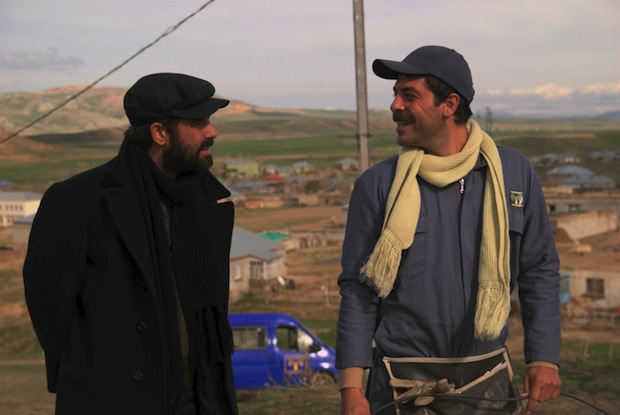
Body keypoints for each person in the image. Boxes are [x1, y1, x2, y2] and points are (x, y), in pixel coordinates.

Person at [336, 46, 561, 415]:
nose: (394, 105)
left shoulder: (513, 174)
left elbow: (539, 271)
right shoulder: (377, 185)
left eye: (409, 95)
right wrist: (351, 386)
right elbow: (359, 290)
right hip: (400, 386)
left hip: (488, 381)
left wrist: (544, 358)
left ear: (450, 104)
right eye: (395, 93)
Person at [23, 73, 238, 415]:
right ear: (159, 133)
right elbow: (49, 306)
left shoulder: (202, 201)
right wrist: (92, 374)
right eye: (199, 122)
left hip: (199, 398)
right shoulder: (79, 201)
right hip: (116, 399)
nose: (212, 132)